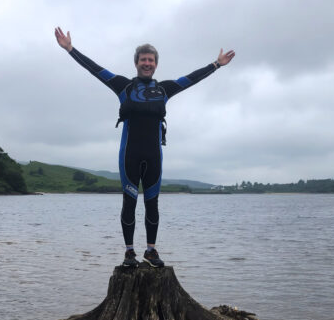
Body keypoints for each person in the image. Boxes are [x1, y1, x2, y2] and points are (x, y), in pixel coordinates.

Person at [55, 27, 235, 268]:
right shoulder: (123, 86)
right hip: (129, 155)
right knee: (129, 203)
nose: (147, 63)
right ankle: (129, 252)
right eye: (143, 60)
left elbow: (191, 78)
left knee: (152, 203)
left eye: (151, 60)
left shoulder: (164, 90)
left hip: (154, 157)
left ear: (156, 65)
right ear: (136, 63)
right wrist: (70, 49)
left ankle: (151, 250)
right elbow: (95, 69)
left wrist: (216, 64)